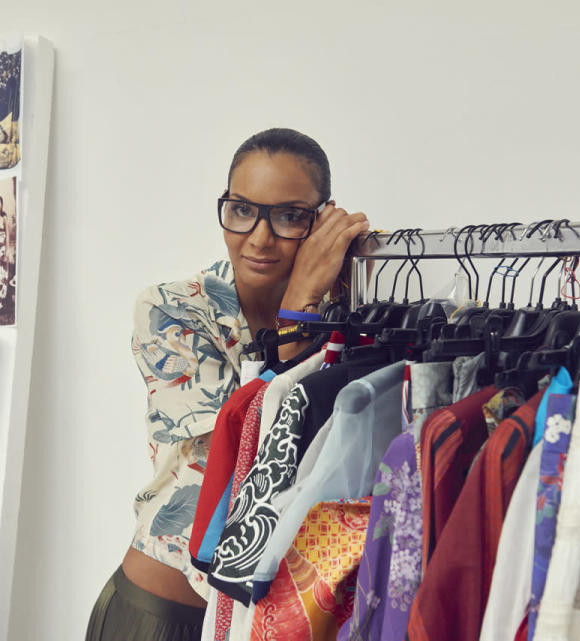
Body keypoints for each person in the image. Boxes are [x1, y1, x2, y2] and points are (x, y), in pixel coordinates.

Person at [85, 128, 369, 640]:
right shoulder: (173, 310)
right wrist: (299, 301)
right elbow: (253, 456)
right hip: (164, 613)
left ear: (321, 218)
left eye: (288, 216)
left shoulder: (350, 313)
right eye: (242, 210)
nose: (259, 237)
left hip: (270, 616)